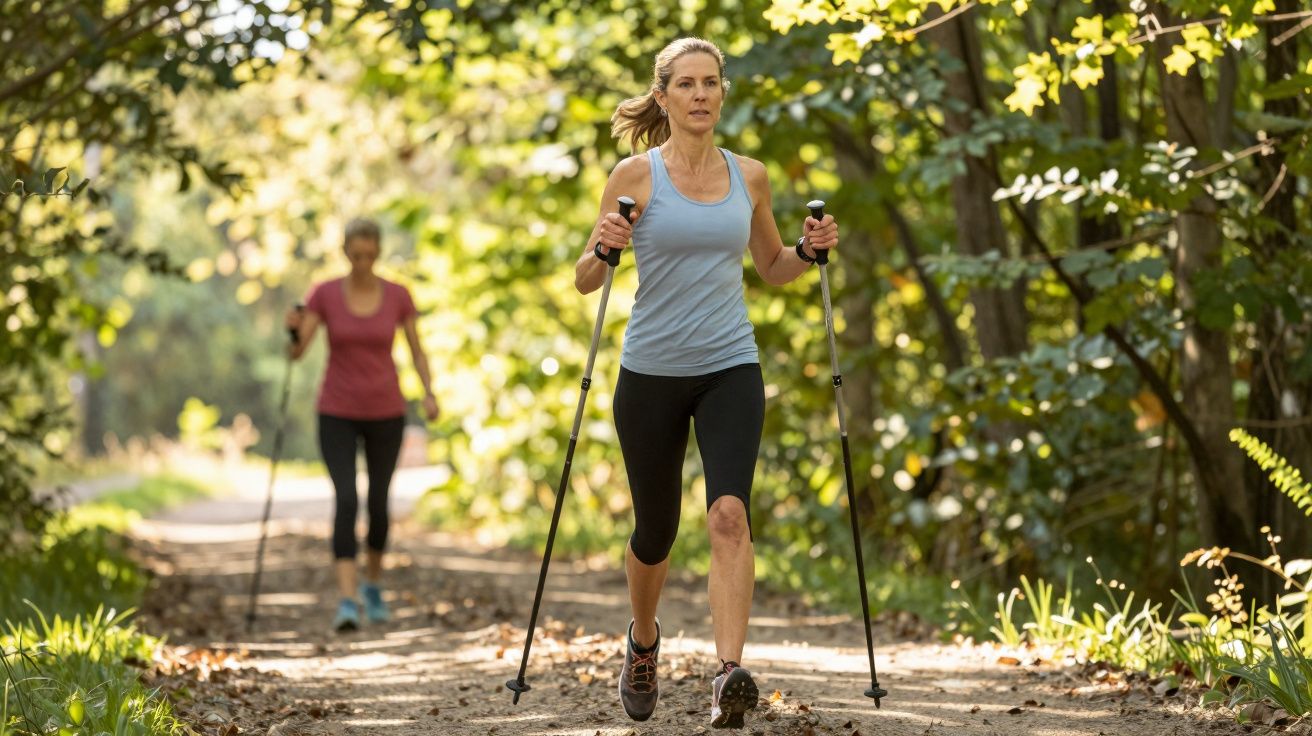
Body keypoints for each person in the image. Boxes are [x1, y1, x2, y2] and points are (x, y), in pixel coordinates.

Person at [573, 37, 839, 730]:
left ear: (722, 93)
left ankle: (729, 677)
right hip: (650, 373)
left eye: (711, 83)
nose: (700, 95)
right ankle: (643, 640)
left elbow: (773, 266)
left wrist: (808, 254)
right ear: (662, 97)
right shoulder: (634, 175)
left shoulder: (748, 176)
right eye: (686, 84)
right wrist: (604, 245)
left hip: (730, 366)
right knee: (655, 531)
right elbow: (586, 279)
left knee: (729, 515)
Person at [286, 217, 440, 632]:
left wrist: (428, 391)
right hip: (335, 409)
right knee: (346, 499)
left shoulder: (397, 295)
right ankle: (347, 598)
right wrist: (292, 330)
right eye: (356, 255)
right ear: (345, 253)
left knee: (378, 502)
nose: (363, 262)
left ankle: (372, 584)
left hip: (386, 410)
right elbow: (298, 354)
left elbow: (416, 349)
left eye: (370, 255)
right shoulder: (324, 294)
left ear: (378, 252)